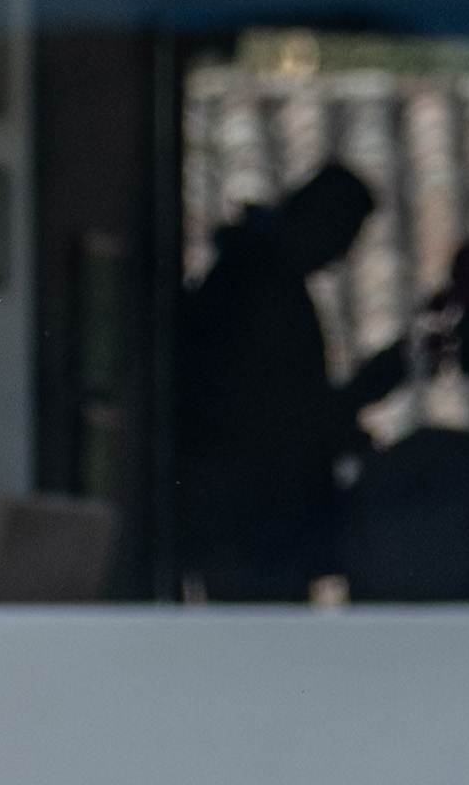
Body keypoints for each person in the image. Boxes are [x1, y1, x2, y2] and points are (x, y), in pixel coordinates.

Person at [174, 160, 414, 603]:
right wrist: (359, 395)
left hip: (249, 519)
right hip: (250, 521)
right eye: (343, 235)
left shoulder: (255, 277)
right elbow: (273, 416)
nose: (341, 256)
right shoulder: (259, 287)